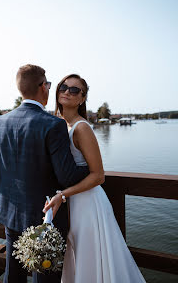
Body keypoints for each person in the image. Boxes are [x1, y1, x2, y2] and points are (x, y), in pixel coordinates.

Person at [0, 65, 90, 283]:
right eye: (49, 85)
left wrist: (5, 201)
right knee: (46, 278)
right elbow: (67, 176)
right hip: (45, 217)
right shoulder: (53, 124)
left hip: (12, 214)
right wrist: (89, 167)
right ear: (43, 87)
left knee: (14, 275)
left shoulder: (0, 122)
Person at [44, 74, 146, 283]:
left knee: (89, 259)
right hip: (68, 203)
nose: (66, 91)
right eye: (63, 86)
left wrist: (63, 195)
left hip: (88, 205)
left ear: (82, 99)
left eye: (74, 90)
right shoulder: (59, 124)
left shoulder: (82, 128)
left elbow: (98, 176)